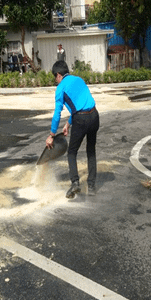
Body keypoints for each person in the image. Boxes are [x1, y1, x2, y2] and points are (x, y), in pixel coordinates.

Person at [46, 60, 99, 198]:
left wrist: (51, 135)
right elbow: (83, 104)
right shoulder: (79, 80)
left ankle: (75, 183)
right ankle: (92, 186)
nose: (56, 81)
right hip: (94, 115)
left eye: (55, 78)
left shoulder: (61, 88)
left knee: (72, 152)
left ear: (58, 75)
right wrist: (68, 124)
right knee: (91, 150)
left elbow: (57, 114)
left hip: (80, 120)